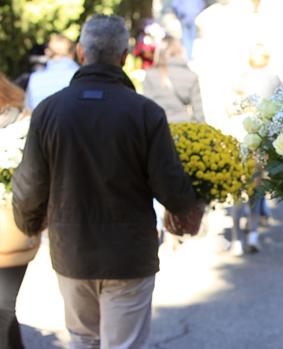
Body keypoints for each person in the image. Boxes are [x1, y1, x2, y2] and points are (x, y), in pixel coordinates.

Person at [11, 15, 202, 348]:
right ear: (125, 55)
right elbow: (170, 183)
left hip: (72, 249)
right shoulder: (145, 113)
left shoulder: (48, 111)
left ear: (82, 53)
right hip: (128, 254)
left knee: (84, 341)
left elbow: (29, 185)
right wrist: (187, 213)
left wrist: (29, 224)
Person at [0, 73, 38, 349]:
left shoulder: (21, 126)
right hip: (17, 228)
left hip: (11, 230)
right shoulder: (24, 120)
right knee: (5, 309)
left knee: (3, 312)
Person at [143, 37, 204, 123]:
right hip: (184, 128)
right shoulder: (191, 76)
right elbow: (199, 115)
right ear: (180, 52)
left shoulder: (150, 75)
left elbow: (146, 110)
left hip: (159, 129)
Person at [25, 34, 79, 110]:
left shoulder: (35, 79)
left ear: (47, 52)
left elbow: (28, 111)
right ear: (73, 53)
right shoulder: (80, 76)